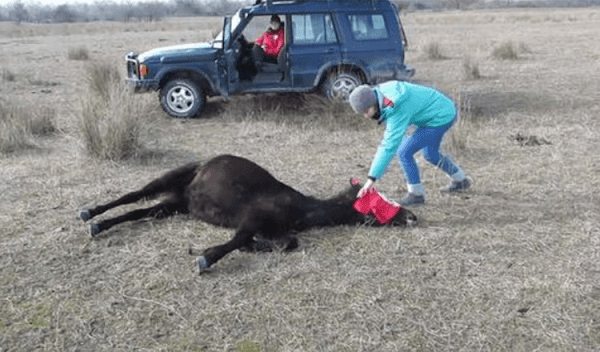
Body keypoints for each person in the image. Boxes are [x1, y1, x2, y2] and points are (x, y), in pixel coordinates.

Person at [349, 82, 472, 207]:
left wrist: (371, 179)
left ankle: (416, 195)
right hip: (438, 110)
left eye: (366, 111)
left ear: (373, 104)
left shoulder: (395, 105)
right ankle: (461, 180)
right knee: (430, 154)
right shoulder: (380, 93)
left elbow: (389, 145)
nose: (365, 116)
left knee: (404, 151)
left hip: (441, 116)